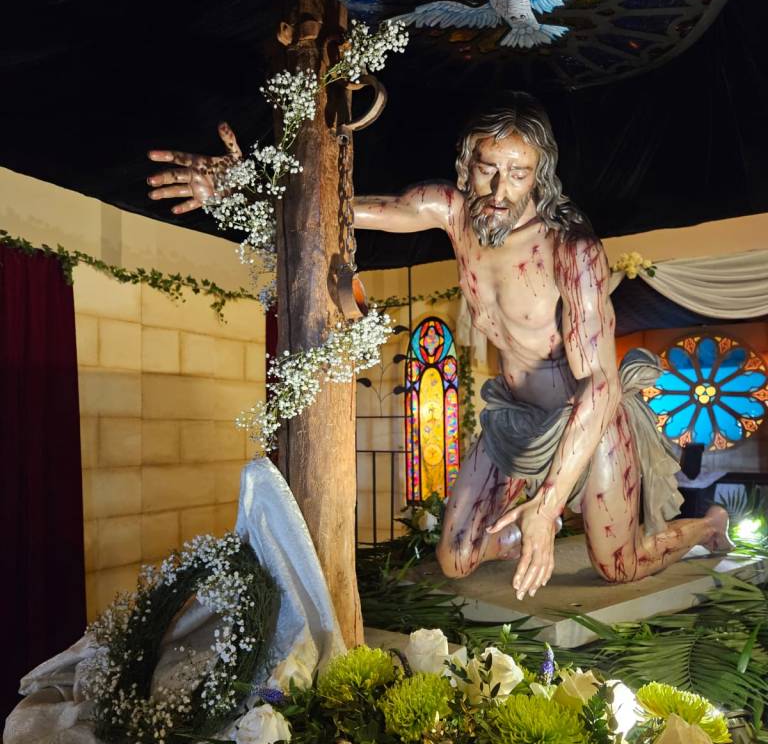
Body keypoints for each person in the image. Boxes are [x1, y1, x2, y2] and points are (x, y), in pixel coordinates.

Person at [146, 94, 730, 601]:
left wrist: (550, 504)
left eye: (518, 173)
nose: (499, 189)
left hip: (588, 421)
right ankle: (527, 525)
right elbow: (347, 211)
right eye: (487, 169)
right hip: (515, 419)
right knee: (456, 558)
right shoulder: (452, 212)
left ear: (540, 175)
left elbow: (600, 385)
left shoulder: (569, 250)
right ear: (466, 165)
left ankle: (706, 527)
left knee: (620, 566)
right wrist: (248, 187)